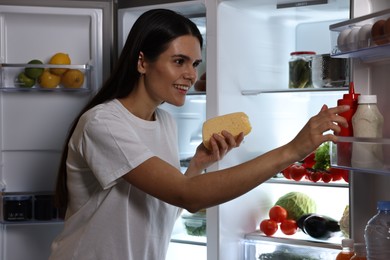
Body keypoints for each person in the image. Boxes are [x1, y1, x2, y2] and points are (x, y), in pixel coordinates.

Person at [49, 8, 350, 260]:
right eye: (179, 61)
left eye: (194, 63)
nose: (191, 74)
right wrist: (293, 150)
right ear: (142, 62)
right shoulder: (104, 123)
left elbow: (170, 206)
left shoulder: (164, 121)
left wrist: (197, 166)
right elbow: (187, 195)